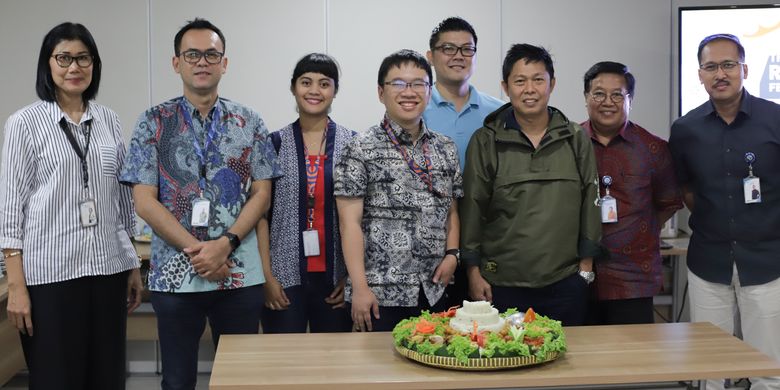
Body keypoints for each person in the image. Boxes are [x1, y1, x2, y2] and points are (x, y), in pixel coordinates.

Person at [119, 18, 281, 390]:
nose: (202, 62)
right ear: (177, 63)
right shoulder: (152, 122)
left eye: (211, 54)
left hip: (239, 273)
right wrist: (199, 253)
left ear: (224, 63)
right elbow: (144, 201)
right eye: (193, 54)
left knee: (240, 379)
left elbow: (262, 193)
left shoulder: (250, 121)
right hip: (175, 277)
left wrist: (225, 246)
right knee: (176, 380)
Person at [0, 22, 142, 389]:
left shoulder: (108, 119)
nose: (74, 67)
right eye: (64, 58)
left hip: (108, 269)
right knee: (56, 379)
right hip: (51, 276)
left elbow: (121, 197)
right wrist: (16, 285)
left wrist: (132, 264)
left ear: (94, 65)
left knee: (107, 377)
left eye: (83, 58)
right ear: (47, 64)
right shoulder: (24, 123)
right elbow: (10, 206)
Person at [460, 44, 602, 326]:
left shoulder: (575, 138)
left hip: (565, 283)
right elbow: (473, 207)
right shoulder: (486, 140)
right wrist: (473, 272)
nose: (530, 89)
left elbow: (591, 200)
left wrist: (585, 268)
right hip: (501, 284)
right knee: (507, 364)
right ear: (505, 86)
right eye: (520, 81)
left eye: (538, 79)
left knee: (565, 363)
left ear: (552, 84)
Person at [669, 33, 780, 390]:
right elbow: (686, 189)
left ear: (745, 69)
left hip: (767, 261)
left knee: (768, 365)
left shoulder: (775, 119)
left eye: (728, 65)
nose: (720, 73)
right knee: (710, 365)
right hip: (709, 262)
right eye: (711, 66)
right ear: (700, 75)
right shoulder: (685, 129)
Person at [334, 49, 463, 332]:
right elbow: (349, 224)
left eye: (418, 83)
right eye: (399, 84)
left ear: (429, 92)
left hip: (434, 290)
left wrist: (453, 254)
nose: (410, 92)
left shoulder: (445, 148)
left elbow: (452, 210)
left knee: (434, 371)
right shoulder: (359, 147)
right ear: (381, 92)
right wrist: (360, 289)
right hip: (379, 295)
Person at [259, 53, 354, 333]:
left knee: (333, 365)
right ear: (293, 88)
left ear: (335, 91)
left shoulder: (354, 144)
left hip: (336, 278)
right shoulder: (272, 144)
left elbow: (364, 219)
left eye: (324, 84)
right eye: (306, 82)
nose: (314, 91)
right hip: (284, 278)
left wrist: (350, 278)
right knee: (285, 366)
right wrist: (266, 277)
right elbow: (260, 216)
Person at [581, 61, 682, 325]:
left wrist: (637, 232)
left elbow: (667, 203)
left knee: (633, 360)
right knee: (579, 358)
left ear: (630, 100)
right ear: (586, 97)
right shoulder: (568, 143)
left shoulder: (653, 149)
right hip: (577, 274)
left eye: (617, 95)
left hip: (633, 277)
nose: (608, 102)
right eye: (599, 94)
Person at [423, 16, 504, 309]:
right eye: (448, 48)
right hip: (430, 245)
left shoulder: (499, 114)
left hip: (487, 242)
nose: (458, 56)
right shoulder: (413, 110)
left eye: (466, 49)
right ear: (430, 56)